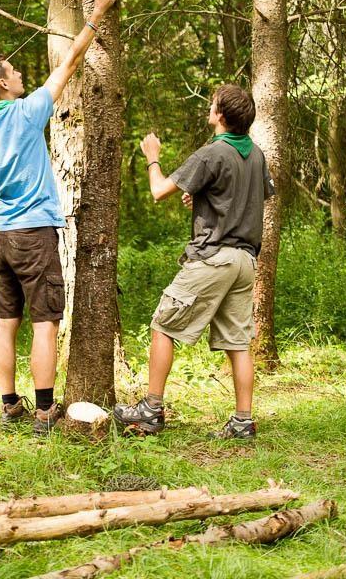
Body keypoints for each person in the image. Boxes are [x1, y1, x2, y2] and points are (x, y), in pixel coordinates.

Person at [0, 0, 122, 436]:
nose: (21, 74)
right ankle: (44, 413)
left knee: (7, 323)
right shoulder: (27, 111)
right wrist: (96, 12)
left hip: (0, 237)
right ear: (3, 84)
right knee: (45, 323)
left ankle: (9, 408)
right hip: (35, 234)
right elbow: (70, 62)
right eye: (14, 71)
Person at [113, 84, 276, 439]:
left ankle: (150, 410)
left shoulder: (212, 153)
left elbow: (159, 191)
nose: (210, 107)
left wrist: (152, 157)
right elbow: (248, 194)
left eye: (213, 105)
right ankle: (243, 422)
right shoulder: (257, 154)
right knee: (237, 342)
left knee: (163, 324)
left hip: (213, 258)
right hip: (245, 261)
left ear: (220, 115)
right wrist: (203, 197)